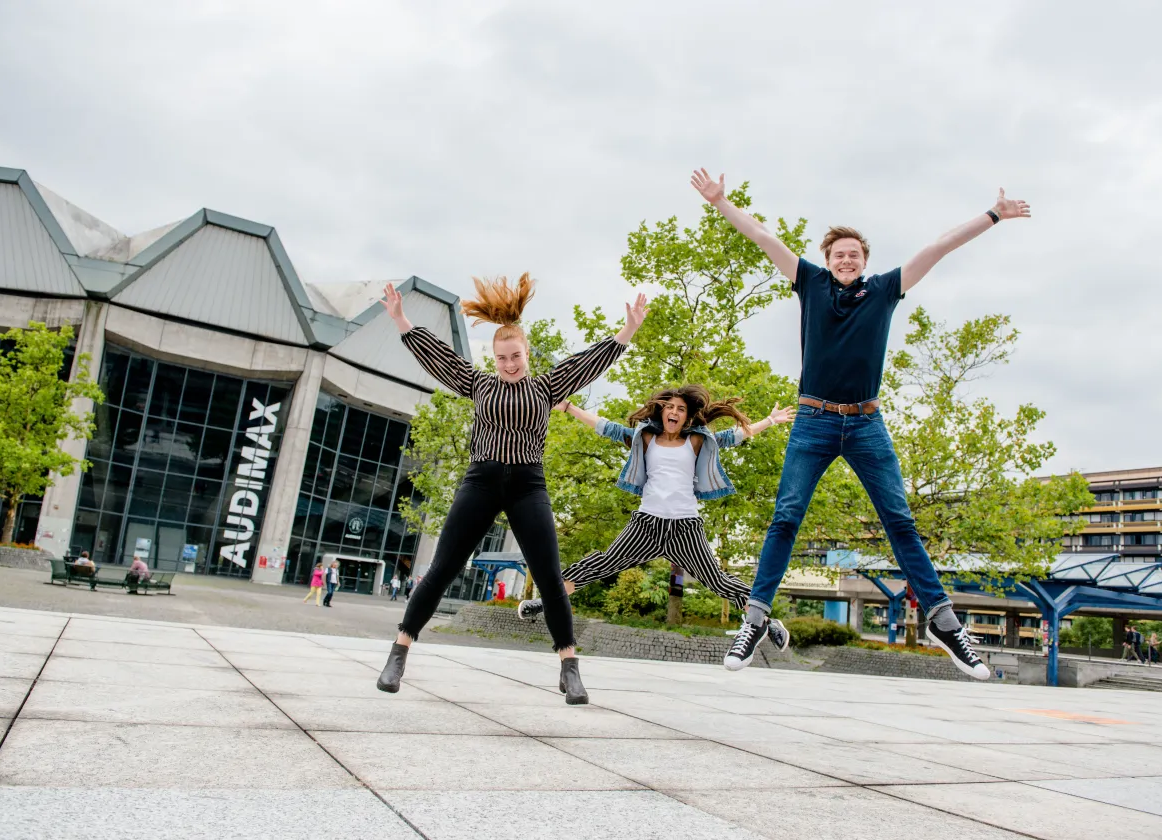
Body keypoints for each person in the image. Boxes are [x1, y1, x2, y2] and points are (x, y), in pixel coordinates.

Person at [691, 168, 1031, 678]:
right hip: (813, 419)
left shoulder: (884, 290)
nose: (846, 260)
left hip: (867, 423)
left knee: (901, 523)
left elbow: (938, 247)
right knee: (785, 518)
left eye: (854, 254)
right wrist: (721, 202)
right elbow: (763, 237)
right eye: (838, 254)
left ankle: (942, 621)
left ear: (864, 262)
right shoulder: (809, 283)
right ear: (827, 262)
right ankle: (757, 616)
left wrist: (993, 216)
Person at [374, 274, 646, 704]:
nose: (510, 364)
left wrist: (628, 329)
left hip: (527, 485)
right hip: (480, 482)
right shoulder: (478, 383)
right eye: (502, 358)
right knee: (442, 569)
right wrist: (402, 320)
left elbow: (588, 362)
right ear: (495, 358)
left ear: (527, 352)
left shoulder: (548, 386)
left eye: (515, 355)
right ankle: (398, 654)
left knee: (551, 578)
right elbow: (439, 358)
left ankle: (569, 668)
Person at [517, 385, 796, 665]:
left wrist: (770, 421)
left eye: (681, 409)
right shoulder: (645, 437)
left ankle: (765, 620)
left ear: (687, 416)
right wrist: (568, 407)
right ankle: (547, 599)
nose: (674, 412)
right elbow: (607, 428)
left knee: (717, 580)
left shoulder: (698, 441)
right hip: (646, 524)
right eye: (670, 407)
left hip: (685, 527)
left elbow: (732, 436)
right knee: (602, 563)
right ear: (662, 411)